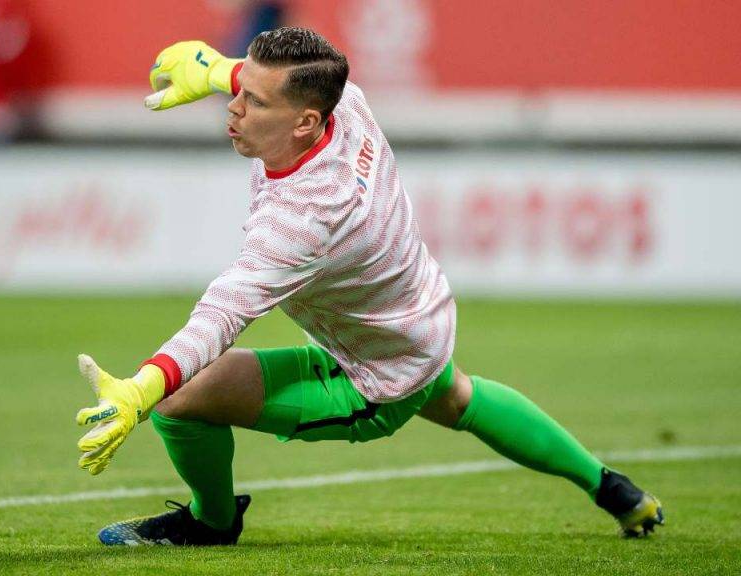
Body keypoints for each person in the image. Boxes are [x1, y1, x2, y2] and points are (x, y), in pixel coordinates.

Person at [74, 27, 664, 546]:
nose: (232, 107)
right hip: (416, 318)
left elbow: (222, 314)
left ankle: (212, 523)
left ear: (305, 123)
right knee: (459, 398)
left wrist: (139, 389)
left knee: (179, 405)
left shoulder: (306, 220)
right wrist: (210, 68)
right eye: (238, 90)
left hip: (372, 376)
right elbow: (270, 82)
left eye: (251, 101)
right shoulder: (343, 101)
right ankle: (612, 487)